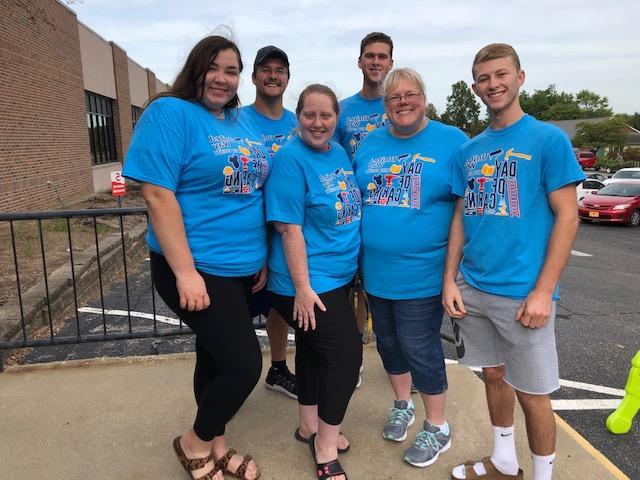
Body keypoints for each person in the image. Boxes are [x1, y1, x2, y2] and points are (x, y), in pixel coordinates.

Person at [123, 35, 267, 480]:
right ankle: (193, 443)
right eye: (215, 68)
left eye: (232, 70)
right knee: (244, 366)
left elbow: (251, 192)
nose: (223, 79)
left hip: (244, 268)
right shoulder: (170, 112)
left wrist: (261, 254)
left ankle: (217, 447)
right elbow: (157, 194)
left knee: (215, 359)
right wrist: (186, 274)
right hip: (198, 267)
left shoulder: (241, 123)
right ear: (196, 68)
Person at [443, 43, 585, 480]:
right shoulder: (470, 150)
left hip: (524, 294)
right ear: (475, 86)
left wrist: (544, 291)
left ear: (520, 78)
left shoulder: (547, 139)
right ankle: (504, 461)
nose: (493, 85)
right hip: (475, 288)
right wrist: (450, 280)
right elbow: (461, 220)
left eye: (501, 75)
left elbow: (568, 216)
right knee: (492, 376)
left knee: (533, 394)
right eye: (484, 79)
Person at [353, 68, 468, 469]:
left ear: (424, 98)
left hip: (423, 271)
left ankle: (438, 426)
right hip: (376, 271)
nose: (403, 102)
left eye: (410, 94)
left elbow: (464, 208)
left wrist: (454, 273)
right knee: (388, 343)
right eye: (393, 97)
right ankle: (402, 405)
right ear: (385, 105)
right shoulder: (369, 143)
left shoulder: (452, 141)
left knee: (420, 346)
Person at [265, 84, 362, 480]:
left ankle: (308, 425)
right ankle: (324, 446)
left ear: (336, 118)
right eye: (310, 115)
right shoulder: (291, 159)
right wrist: (303, 288)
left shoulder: (338, 152)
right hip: (305, 281)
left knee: (310, 350)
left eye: (326, 116)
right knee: (345, 357)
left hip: (337, 276)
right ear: (298, 116)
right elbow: (289, 230)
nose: (318, 123)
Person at [333, 32, 394, 386]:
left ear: (390, 63)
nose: (375, 61)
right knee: (349, 289)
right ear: (359, 61)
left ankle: (396, 361)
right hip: (350, 209)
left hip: (387, 209)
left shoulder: (399, 103)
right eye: (369, 55)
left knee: (380, 290)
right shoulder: (344, 110)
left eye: (382, 56)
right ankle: (351, 359)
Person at [242, 45, 298, 400]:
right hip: (246, 231)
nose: (273, 75)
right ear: (254, 77)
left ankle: (278, 369)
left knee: (280, 303)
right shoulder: (237, 120)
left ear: (288, 78)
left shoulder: (298, 123)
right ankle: (226, 378)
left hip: (286, 230)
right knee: (234, 311)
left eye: (280, 69)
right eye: (266, 69)